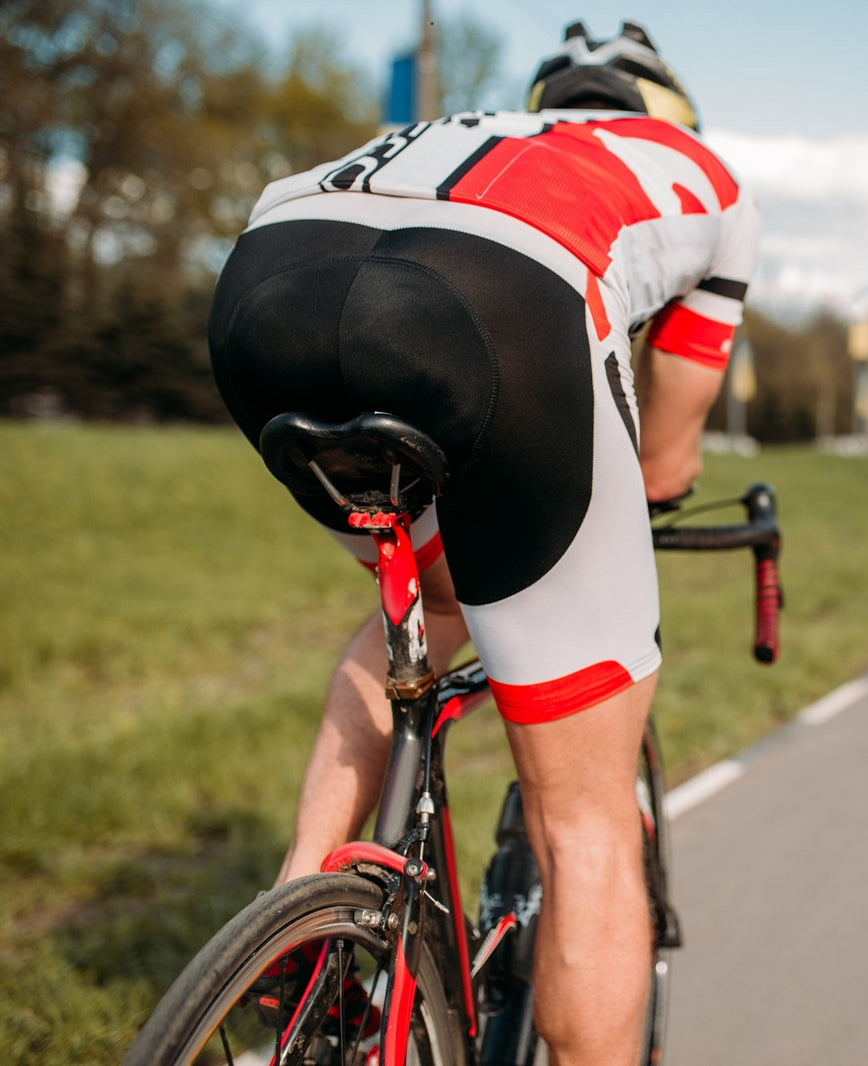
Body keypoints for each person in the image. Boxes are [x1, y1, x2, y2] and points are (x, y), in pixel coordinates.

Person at [207, 20, 757, 1065]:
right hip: (496, 299)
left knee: (431, 600)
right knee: (584, 821)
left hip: (265, 285)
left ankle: (300, 914)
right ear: (668, 114)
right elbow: (669, 458)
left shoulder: (456, 125)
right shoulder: (705, 174)